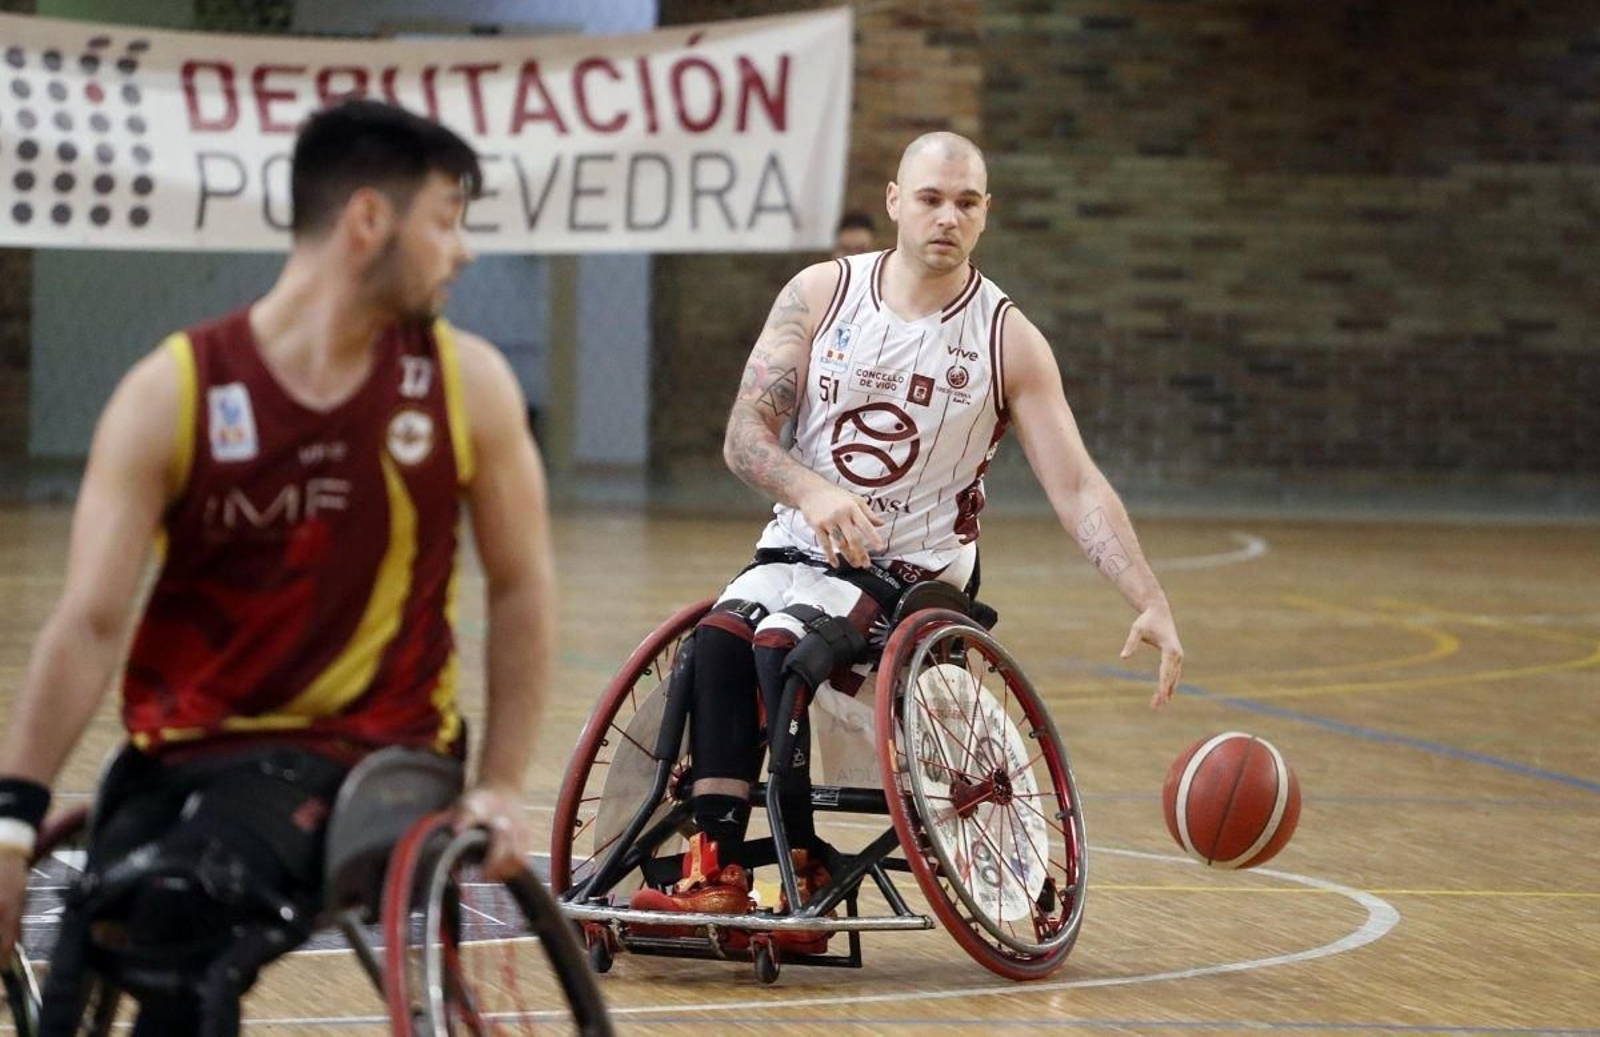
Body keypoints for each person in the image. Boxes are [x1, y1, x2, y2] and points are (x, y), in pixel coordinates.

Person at [0, 99, 555, 1034]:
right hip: (184, 751)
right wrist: (11, 824)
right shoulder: (172, 390)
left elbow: (522, 584)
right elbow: (90, 619)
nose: (461, 253)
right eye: (447, 221)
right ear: (369, 220)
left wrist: (499, 780)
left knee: (181, 907)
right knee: (98, 924)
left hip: (374, 751)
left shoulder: (467, 384)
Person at [632, 132, 1184, 934]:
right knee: (717, 639)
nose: (947, 217)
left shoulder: (1007, 338)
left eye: (966, 202)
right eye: (930, 198)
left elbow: (1075, 483)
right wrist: (812, 490)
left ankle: (803, 853)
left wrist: (1148, 595)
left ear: (986, 214)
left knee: (781, 645)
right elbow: (745, 436)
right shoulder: (820, 293)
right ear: (896, 201)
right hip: (797, 545)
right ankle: (714, 867)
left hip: (911, 569)